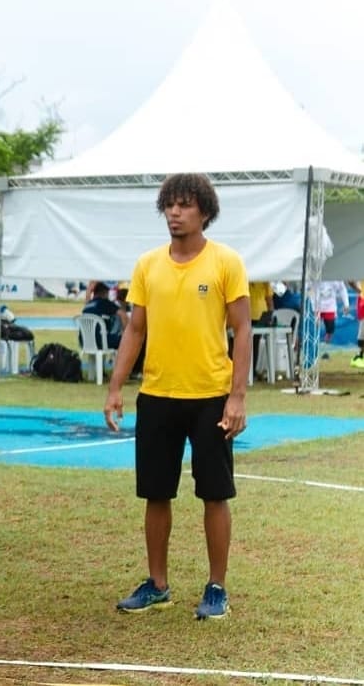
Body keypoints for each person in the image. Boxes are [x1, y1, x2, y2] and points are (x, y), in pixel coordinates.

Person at [104, 173, 250, 621]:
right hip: (158, 395)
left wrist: (237, 397)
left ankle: (217, 587)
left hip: (210, 396)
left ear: (205, 212)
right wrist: (114, 388)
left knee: (214, 493)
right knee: (155, 493)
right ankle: (157, 584)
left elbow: (243, 329)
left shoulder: (226, 262)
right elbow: (135, 328)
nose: (174, 212)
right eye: (169, 205)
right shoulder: (148, 264)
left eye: (185, 205)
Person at [80, 281, 127, 350]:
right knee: (126, 340)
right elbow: (123, 315)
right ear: (105, 292)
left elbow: (88, 298)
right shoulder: (105, 303)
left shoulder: (87, 305)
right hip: (101, 341)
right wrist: (126, 334)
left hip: (84, 341)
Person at [314, 280, 349, 346]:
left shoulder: (336, 277)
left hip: (330, 307)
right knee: (313, 327)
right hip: (315, 306)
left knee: (330, 330)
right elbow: (308, 287)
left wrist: (346, 304)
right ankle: (312, 345)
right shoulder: (315, 273)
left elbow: (342, 289)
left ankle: (326, 345)